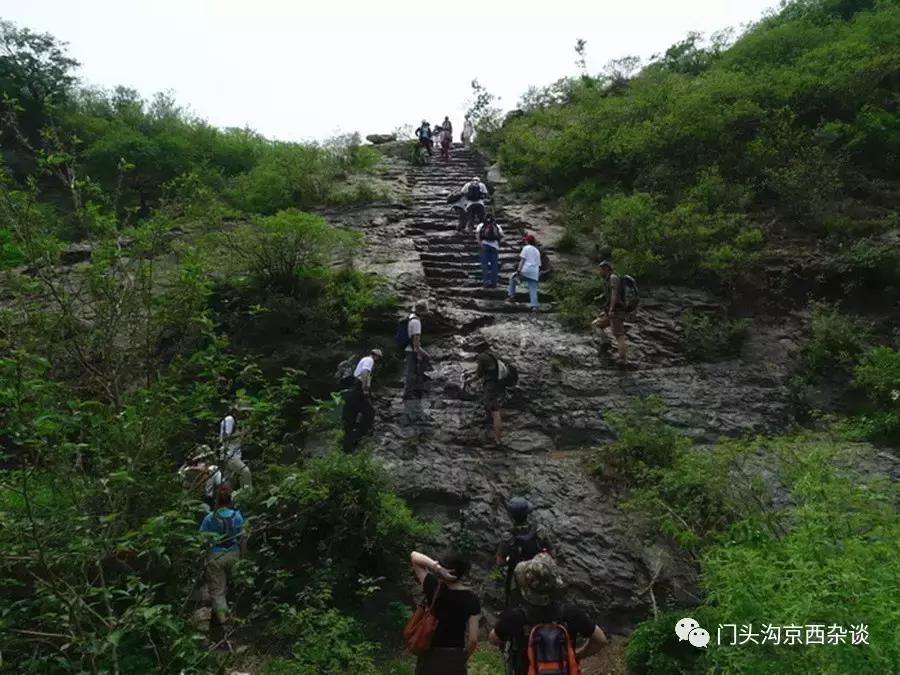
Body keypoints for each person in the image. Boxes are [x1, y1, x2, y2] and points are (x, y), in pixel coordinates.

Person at [489, 554, 608, 675]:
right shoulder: (571, 613)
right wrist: (576, 654)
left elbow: (493, 638)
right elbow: (600, 640)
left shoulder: (515, 616)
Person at [410, 549, 481, 674]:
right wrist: (462, 658)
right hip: (454, 656)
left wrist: (436, 567)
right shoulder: (472, 599)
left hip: (430, 656)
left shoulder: (433, 588)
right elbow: (473, 640)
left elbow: (414, 556)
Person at [200, 484, 245, 632]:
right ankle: (238, 615)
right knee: (235, 587)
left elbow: (202, 539)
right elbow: (243, 537)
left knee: (217, 592)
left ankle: (225, 625)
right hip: (234, 553)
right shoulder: (237, 516)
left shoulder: (209, 518)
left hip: (215, 555)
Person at [495, 497, 553, 607]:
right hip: (540, 577)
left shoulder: (508, 536)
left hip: (518, 579)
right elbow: (553, 554)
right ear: (527, 513)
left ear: (512, 516)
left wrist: (509, 560)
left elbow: (499, 562)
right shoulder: (540, 530)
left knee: (516, 606)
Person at [462, 345, 510, 446]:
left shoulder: (482, 357)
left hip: (490, 386)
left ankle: (497, 440)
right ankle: (491, 432)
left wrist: (467, 381)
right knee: (491, 407)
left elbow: (478, 375)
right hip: (498, 384)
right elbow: (487, 370)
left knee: (495, 411)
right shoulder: (493, 355)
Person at [342, 348, 382, 450]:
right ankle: (358, 436)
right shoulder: (369, 360)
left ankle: (348, 444)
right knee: (370, 413)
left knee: (351, 416)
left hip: (351, 391)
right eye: (379, 358)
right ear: (376, 356)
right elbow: (364, 373)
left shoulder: (364, 359)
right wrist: (364, 389)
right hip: (357, 389)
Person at [591, 261, 629, 365]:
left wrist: (611, 309)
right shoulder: (607, 280)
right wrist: (598, 298)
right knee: (596, 325)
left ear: (606, 268)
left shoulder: (613, 278)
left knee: (619, 335)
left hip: (616, 311)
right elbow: (607, 294)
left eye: (601, 269)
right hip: (610, 311)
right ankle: (605, 342)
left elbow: (614, 294)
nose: (599, 271)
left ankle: (623, 360)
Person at [403, 301, 430, 424]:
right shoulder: (417, 322)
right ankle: (411, 392)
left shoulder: (410, 318)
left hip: (407, 348)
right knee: (412, 371)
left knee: (410, 370)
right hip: (412, 350)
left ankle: (410, 391)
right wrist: (420, 354)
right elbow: (416, 342)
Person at [179, 445, 224, 511]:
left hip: (189, 501)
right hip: (206, 500)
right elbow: (220, 484)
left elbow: (180, 475)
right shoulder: (214, 469)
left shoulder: (186, 470)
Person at [507, 234, 541, 311]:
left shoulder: (526, 248)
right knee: (533, 289)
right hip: (534, 272)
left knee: (513, 278)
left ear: (527, 241)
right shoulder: (537, 250)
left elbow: (523, 260)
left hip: (526, 269)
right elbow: (539, 264)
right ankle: (534, 306)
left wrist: (519, 270)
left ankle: (511, 296)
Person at [219, 412, 252, 490]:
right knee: (245, 472)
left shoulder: (238, 423)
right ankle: (247, 494)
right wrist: (242, 433)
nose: (246, 414)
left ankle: (227, 499)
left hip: (235, 454)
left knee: (229, 481)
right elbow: (224, 437)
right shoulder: (229, 419)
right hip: (229, 454)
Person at [475, 215, 503, 287]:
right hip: (495, 247)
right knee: (494, 265)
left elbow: (477, 234)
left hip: (484, 245)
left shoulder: (481, 225)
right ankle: (494, 283)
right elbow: (502, 235)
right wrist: (498, 244)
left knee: (485, 265)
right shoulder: (497, 225)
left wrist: (480, 243)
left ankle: (486, 282)